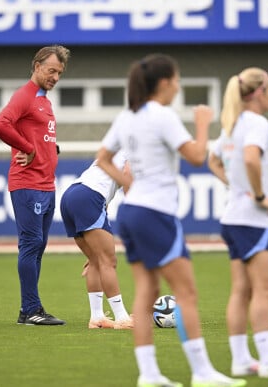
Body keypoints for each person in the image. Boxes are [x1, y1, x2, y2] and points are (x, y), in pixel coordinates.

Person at [96, 54, 246, 387]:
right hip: (156, 213)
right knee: (187, 293)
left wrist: (128, 183)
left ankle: (149, 375)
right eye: (176, 80)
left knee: (146, 292)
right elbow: (195, 157)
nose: (178, 86)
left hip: (131, 212)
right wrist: (204, 124)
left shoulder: (127, 116)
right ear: (164, 83)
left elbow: (102, 158)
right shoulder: (163, 116)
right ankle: (202, 372)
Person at [207, 67, 268, 379]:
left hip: (233, 218)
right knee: (266, 289)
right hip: (253, 220)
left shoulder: (232, 124)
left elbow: (213, 160)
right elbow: (251, 159)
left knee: (242, 290)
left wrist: (236, 187)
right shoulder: (256, 123)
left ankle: (241, 359)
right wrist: (260, 195)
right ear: (259, 92)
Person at [0, 45, 70, 326]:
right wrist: (27, 147)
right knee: (31, 243)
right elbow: (0, 125)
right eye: (51, 71)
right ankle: (30, 309)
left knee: (39, 246)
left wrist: (50, 149)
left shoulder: (44, 100)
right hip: (27, 184)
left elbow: (39, 137)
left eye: (59, 73)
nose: (56, 77)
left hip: (47, 185)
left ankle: (31, 308)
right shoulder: (25, 95)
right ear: (37, 66)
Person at [60, 151, 134, 329]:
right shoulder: (136, 145)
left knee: (96, 261)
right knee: (108, 261)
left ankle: (97, 317)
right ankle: (122, 318)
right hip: (89, 196)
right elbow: (127, 174)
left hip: (71, 195)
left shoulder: (118, 147)